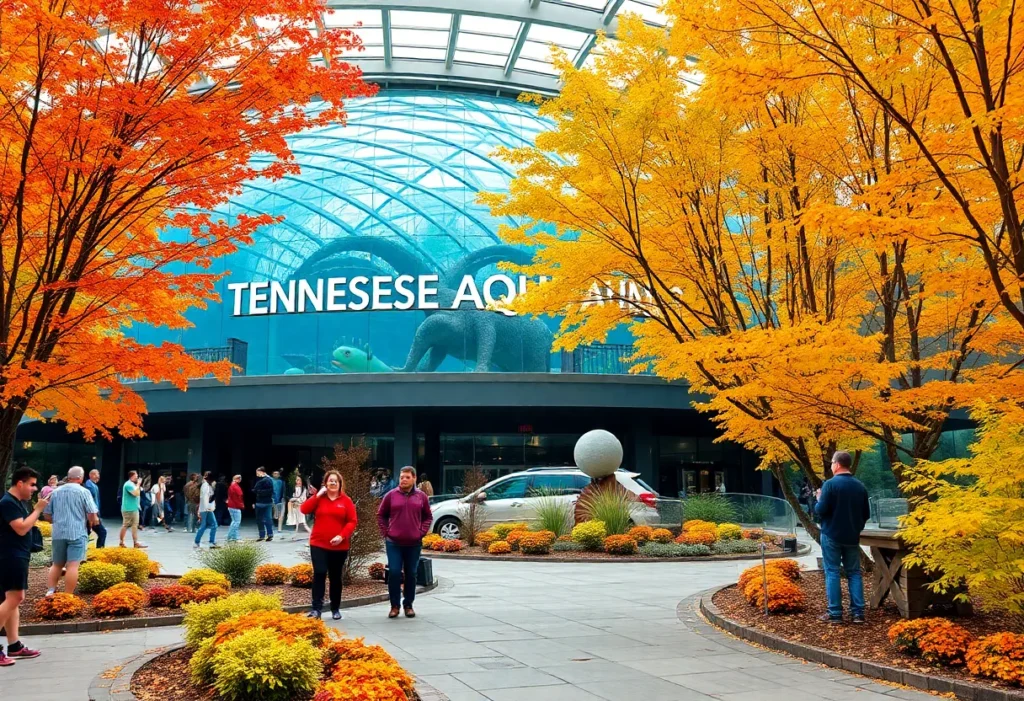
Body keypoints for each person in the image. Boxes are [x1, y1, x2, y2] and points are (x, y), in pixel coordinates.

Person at [815, 450, 872, 624]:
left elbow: (820, 510)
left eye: (832, 462)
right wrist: (856, 528)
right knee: (854, 573)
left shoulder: (830, 485)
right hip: (852, 537)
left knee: (832, 571)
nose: (831, 465)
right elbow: (866, 513)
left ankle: (835, 613)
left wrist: (818, 499)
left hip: (832, 534)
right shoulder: (860, 486)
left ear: (837, 464)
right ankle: (858, 613)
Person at [0, 467, 48, 666]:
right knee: (16, 597)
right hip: (11, 556)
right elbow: (20, 528)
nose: (34, 489)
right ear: (20, 483)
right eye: (31, 484)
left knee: (12, 599)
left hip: (17, 555)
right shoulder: (8, 503)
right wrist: (38, 509)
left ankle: (14, 645)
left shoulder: (17, 502)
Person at [300, 470, 357, 620]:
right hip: (318, 543)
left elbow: (352, 521)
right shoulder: (319, 498)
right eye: (330, 480)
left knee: (335, 577)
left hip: (339, 546)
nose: (332, 483)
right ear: (325, 483)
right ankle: (316, 609)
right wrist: (317, 495)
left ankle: (335, 608)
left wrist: (341, 536)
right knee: (319, 573)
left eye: (335, 481)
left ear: (339, 484)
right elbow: (304, 509)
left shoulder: (346, 501)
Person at [377, 466, 432, 619]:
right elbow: (381, 515)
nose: (404, 480)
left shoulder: (421, 497)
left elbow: (428, 516)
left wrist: (421, 532)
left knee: (411, 574)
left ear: (414, 478)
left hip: (413, 543)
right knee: (394, 572)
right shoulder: (391, 495)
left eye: (407, 477)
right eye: (402, 477)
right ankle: (394, 606)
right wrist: (386, 532)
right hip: (394, 542)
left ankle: (408, 605)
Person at [43, 466, 99, 597]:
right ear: (81, 478)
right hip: (77, 532)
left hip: (58, 533)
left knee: (56, 564)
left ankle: (50, 591)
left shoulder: (55, 492)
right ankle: (68, 595)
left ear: (68, 477)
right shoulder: (84, 492)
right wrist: (93, 521)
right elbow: (92, 514)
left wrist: (56, 521)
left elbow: (47, 515)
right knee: (73, 566)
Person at [118, 471, 147, 548]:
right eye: (136, 476)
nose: (137, 477)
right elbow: (136, 493)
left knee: (135, 525)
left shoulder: (132, 484)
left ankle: (136, 542)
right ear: (132, 476)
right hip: (128, 509)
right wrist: (138, 484)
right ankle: (121, 542)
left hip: (134, 508)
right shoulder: (128, 484)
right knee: (126, 525)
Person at [194, 472, 219, 550]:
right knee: (208, 525)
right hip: (206, 509)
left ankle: (202, 541)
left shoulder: (206, 485)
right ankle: (200, 542)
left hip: (206, 508)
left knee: (208, 525)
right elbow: (204, 497)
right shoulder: (206, 486)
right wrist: (207, 507)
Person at [252, 467, 275, 542]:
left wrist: (258, 492)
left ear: (261, 472)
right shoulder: (269, 479)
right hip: (267, 502)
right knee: (268, 519)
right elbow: (270, 491)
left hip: (261, 502)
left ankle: (262, 535)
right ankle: (269, 534)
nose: (257, 474)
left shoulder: (263, 480)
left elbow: (255, 490)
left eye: (257, 472)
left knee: (260, 519)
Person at [85, 469, 106, 548]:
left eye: (98, 474)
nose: (98, 476)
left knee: (88, 532)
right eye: (96, 474)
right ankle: (99, 551)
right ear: (91, 475)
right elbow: (90, 500)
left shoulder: (93, 485)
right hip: (92, 513)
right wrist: (93, 514)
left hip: (94, 512)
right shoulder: (89, 485)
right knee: (102, 532)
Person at [226, 475, 244, 542]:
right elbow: (239, 496)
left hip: (231, 506)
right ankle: (234, 537)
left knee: (234, 522)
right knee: (236, 522)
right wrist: (241, 505)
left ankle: (231, 537)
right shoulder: (235, 486)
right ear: (238, 479)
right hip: (235, 506)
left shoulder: (232, 485)